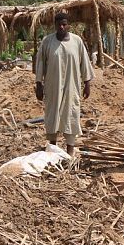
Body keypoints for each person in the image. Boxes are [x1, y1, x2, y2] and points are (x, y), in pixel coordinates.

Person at [35, 11, 94, 156]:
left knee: (71, 114)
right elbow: (40, 63)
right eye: (59, 24)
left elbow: (84, 63)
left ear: (68, 25)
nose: (61, 27)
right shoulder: (47, 42)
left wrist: (87, 83)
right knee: (52, 115)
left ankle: (70, 151)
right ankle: (52, 150)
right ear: (55, 25)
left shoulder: (77, 41)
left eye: (64, 24)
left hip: (71, 86)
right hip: (52, 86)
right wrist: (38, 84)